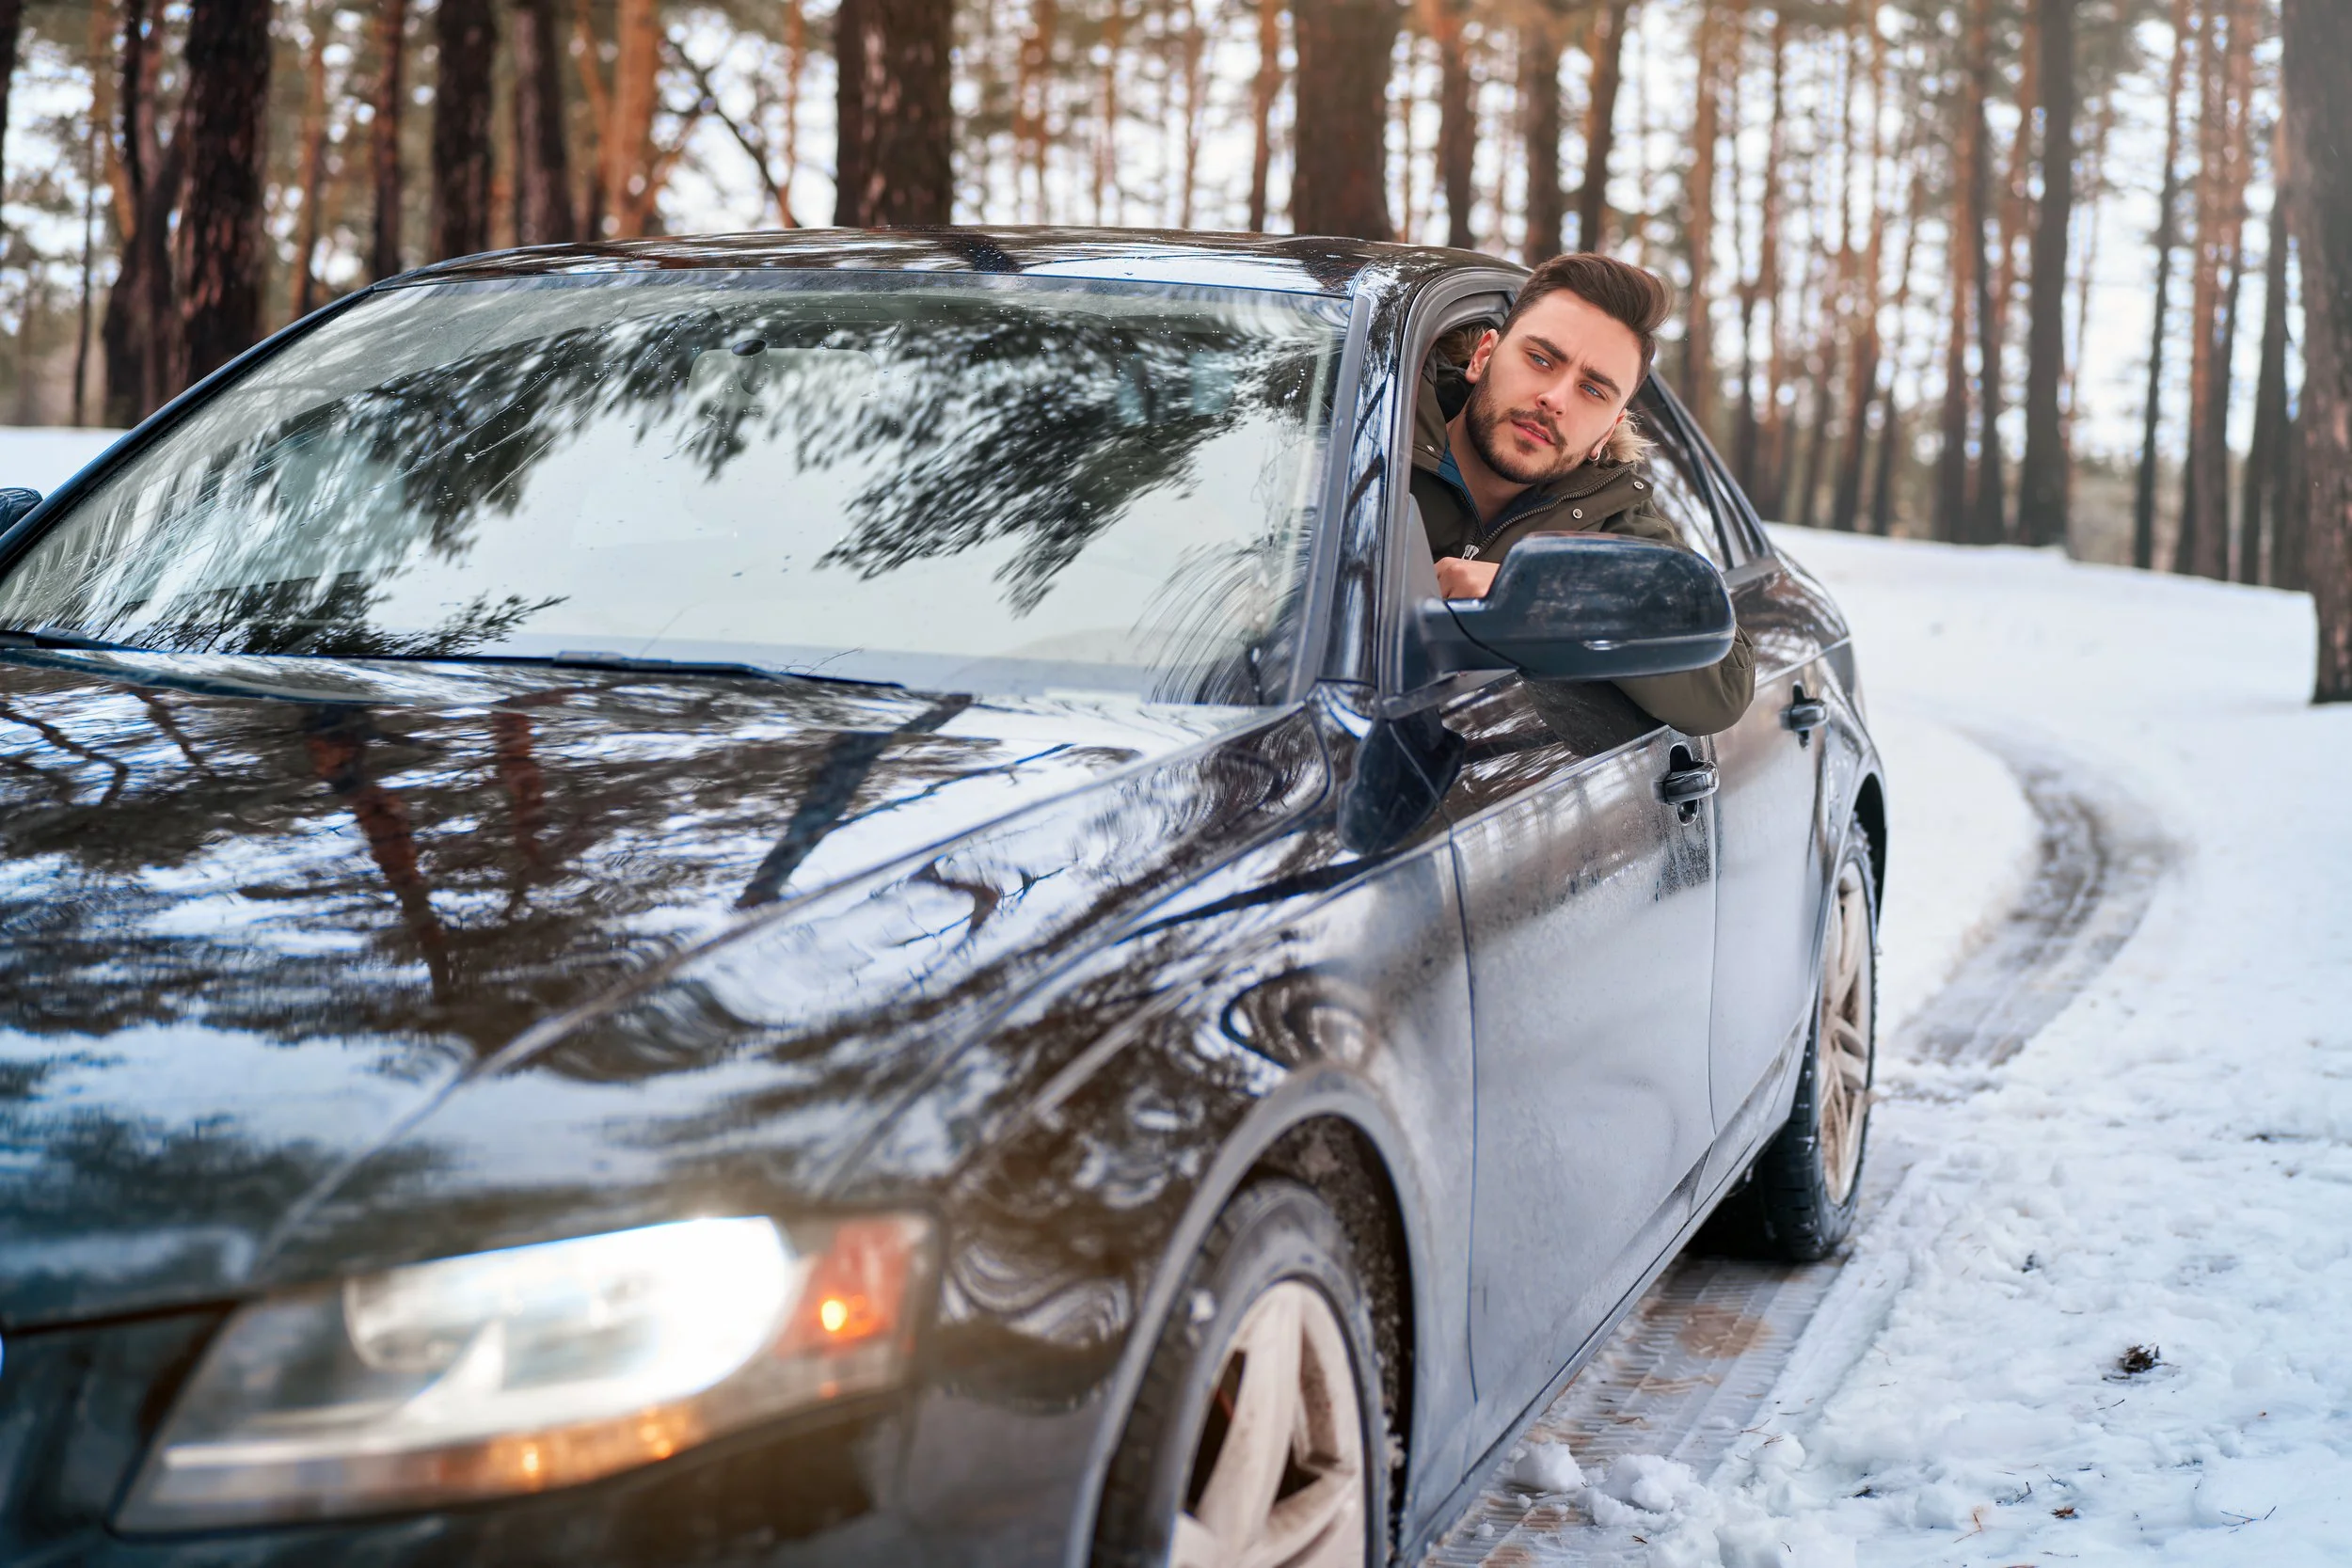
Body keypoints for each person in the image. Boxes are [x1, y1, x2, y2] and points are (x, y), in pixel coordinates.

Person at [1411, 252, 1755, 737]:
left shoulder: (1613, 522)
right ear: (1483, 356)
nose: (1555, 399)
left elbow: (1725, 683)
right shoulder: (1367, 439)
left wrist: (1542, 597)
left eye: (1593, 390)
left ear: (1607, 431)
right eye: (1540, 359)